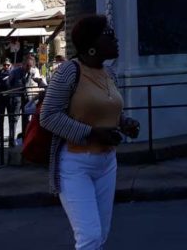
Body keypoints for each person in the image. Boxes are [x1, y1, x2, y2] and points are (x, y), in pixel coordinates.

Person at [41, 14, 140, 250]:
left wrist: (124, 123)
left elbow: (109, 112)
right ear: (91, 44)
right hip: (75, 163)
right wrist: (93, 133)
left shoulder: (110, 73)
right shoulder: (69, 71)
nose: (116, 39)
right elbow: (49, 115)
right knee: (90, 237)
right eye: (109, 34)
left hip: (107, 162)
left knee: (101, 234)